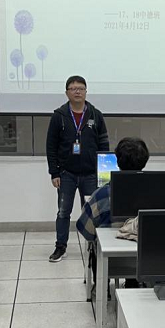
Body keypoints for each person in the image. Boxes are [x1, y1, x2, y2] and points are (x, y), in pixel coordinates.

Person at [46, 75, 109, 263]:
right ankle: (60, 246)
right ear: (67, 93)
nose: (77, 92)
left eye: (81, 88)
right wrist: (54, 172)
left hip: (91, 174)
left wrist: (104, 173)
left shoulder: (96, 115)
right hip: (66, 174)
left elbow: (104, 144)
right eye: (73, 89)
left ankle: (95, 246)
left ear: (86, 91)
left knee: (94, 212)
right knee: (63, 212)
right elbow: (51, 146)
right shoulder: (59, 116)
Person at [76, 137, 150, 243]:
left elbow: (86, 230)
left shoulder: (101, 196)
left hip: (108, 251)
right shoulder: (160, 196)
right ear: (144, 161)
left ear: (118, 162)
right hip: (149, 252)